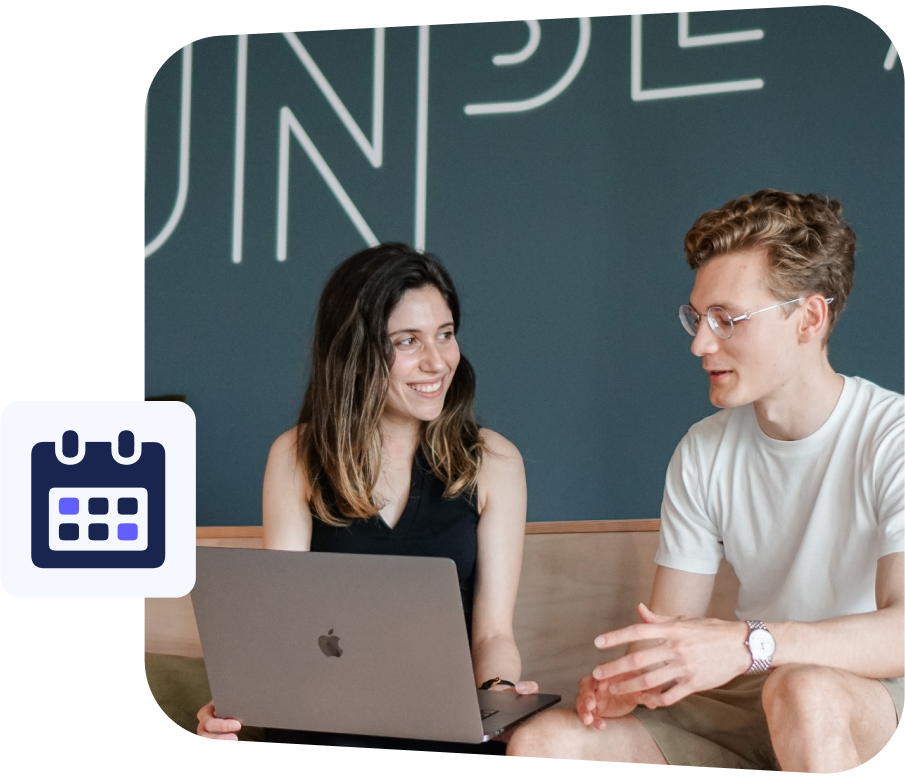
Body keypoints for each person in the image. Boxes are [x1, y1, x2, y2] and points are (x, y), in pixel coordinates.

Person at [507, 190, 905, 769]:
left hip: (870, 690)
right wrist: (634, 682)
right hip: (750, 688)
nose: (700, 343)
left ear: (810, 318)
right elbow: (670, 632)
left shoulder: (892, 435)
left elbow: (901, 633)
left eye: (728, 319)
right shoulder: (704, 449)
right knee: (545, 742)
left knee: (802, 692)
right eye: (698, 317)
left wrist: (750, 644)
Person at [196, 243, 537, 749]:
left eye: (445, 335)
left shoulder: (495, 462)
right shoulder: (297, 455)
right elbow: (283, 621)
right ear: (355, 351)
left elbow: (491, 636)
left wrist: (500, 693)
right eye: (407, 342)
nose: (437, 361)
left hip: (437, 725)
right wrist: (236, 701)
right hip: (321, 719)